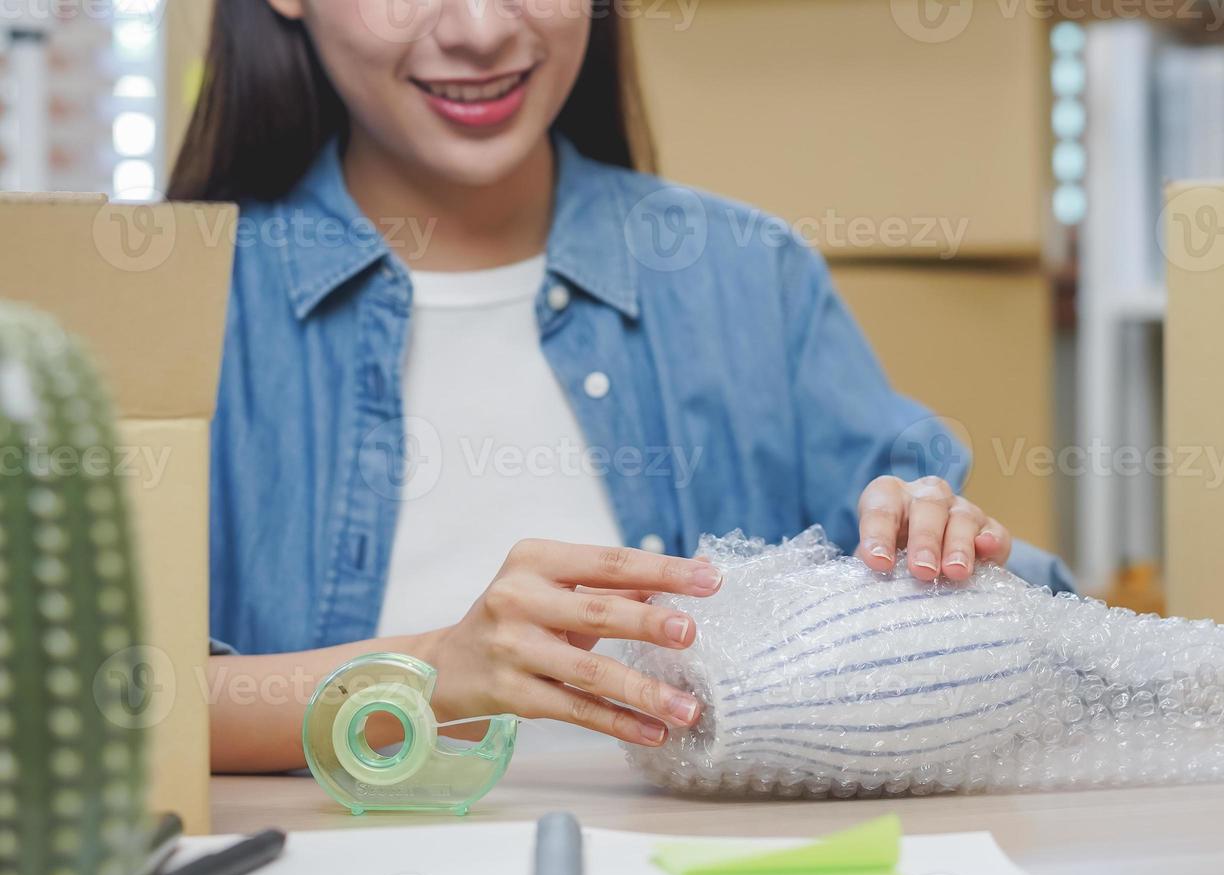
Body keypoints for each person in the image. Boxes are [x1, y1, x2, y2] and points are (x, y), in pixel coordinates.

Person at [171, 0, 1073, 773]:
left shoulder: (749, 277)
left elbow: (1029, 637)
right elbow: (99, 700)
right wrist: (427, 673)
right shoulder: (186, 303)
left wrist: (943, 561)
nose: (481, 30)